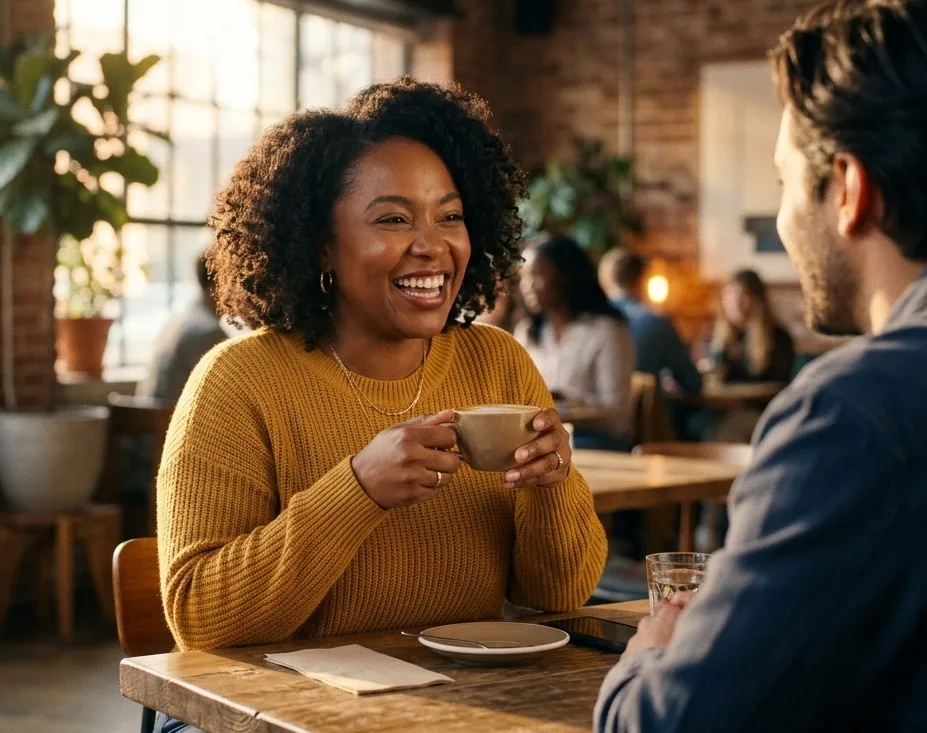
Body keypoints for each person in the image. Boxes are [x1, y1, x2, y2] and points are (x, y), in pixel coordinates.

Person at [595, 0, 927, 731]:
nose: (780, 218)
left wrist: (652, 651)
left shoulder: (863, 412)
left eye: (784, 183)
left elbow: (672, 724)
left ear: (848, 188)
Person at [154, 79, 608, 732]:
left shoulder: (498, 362)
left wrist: (550, 485)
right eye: (394, 218)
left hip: (453, 705)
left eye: (450, 216)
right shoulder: (238, 380)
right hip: (265, 714)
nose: (432, 244)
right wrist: (357, 489)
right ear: (320, 245)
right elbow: (199, 617)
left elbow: (555, 596)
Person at [515, 235, 636, 451]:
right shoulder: (529, 333)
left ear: (565, 276)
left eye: (537, 275)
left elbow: (617, 417)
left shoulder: (606, 331)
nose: (527, 286)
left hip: (595, 441)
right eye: (523, 277)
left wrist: (564, 410)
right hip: (540, 437)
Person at [599, 248, 702, 396]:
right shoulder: (656, 322)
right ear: (643, 278)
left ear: (604, 281)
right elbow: (692, 382)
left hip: (590, 415)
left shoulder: (590, 323)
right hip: (647, 416)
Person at [136, 252, 227, 402]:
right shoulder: (208, 333)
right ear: (218, 283)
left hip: (150, 420)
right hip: (171, 420)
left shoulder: (178, 320)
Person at [707, 269, 794, 384]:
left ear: (758, 300)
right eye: (730, 294)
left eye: (744, 295)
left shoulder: (779, 338)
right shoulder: (713, 337)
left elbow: (777, 385)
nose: (735, 302)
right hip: (722, 402)